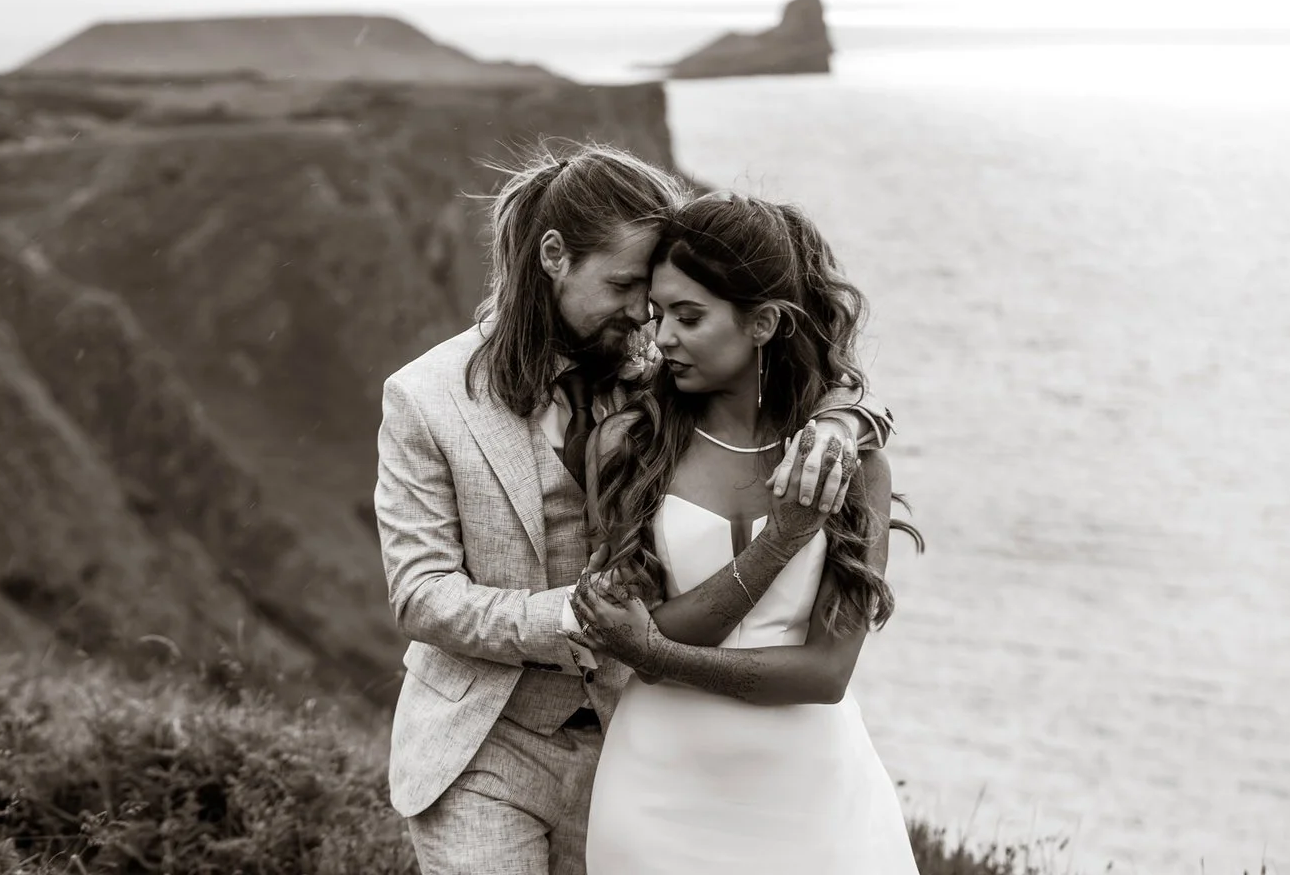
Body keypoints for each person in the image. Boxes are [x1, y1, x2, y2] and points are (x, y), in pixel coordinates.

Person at [373, 144, 895, 875]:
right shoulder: (425, 398)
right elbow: (421, 595)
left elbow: (799, 380)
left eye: (653, 299)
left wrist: (845, 424)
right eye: (623, 286)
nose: (641, 318)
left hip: (633, 743)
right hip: (486, 744)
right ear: (554, 256)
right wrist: (580, 619)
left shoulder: (657, 373)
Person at [569, 191, 924, 874]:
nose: (663, 337)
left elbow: (826, 674)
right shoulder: (628, 445)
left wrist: (665, 654)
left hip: (816, 804)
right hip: (658, 796)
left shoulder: (852, 463)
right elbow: (633, 636)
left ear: (761, 324)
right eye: (659, 314)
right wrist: (782, 540)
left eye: (689, 316)